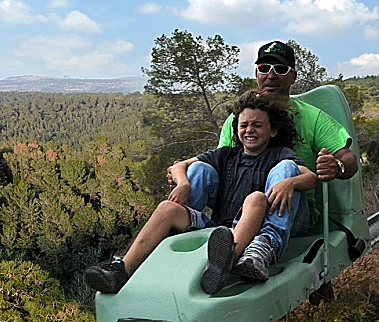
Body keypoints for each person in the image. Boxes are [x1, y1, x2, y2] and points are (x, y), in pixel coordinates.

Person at [84, 90, 317, 295]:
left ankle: (231, 261)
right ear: (236, 129)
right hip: (219, 231)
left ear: (273, 130)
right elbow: (178, 166)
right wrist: (183, 184)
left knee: (257, 196)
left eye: (258, 125)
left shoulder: (279, 155)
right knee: (175, 197)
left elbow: (311, 178)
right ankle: (123, 270)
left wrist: (291, 183)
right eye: (244, 125)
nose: (249, 130)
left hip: (254, 228)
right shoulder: (226, 154)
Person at [171, 40, 358, 269]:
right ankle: (177, 242)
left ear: (293, 77)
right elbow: (220, 162)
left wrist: (336, 166)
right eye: (264, 68)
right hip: (236, 212)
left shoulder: (313, 118)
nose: (271, 75)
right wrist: (184, 179)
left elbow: (349, 160)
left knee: (285, 168)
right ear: (256, 73)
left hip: (289, 213)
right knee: (200, 170)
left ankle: (264, 246)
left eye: (280, 69)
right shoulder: (238, 120)